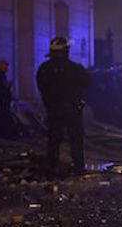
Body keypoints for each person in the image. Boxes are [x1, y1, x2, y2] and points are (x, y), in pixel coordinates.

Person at [36, 37, 91, 176]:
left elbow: (42, 88)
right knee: (76, 139)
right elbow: (87, 83)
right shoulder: (76, 69)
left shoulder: (44, 69)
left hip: (54, 110)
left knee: (54, 139)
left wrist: (50, 103)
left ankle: (52, 166)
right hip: (72, 109)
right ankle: (79, 167)